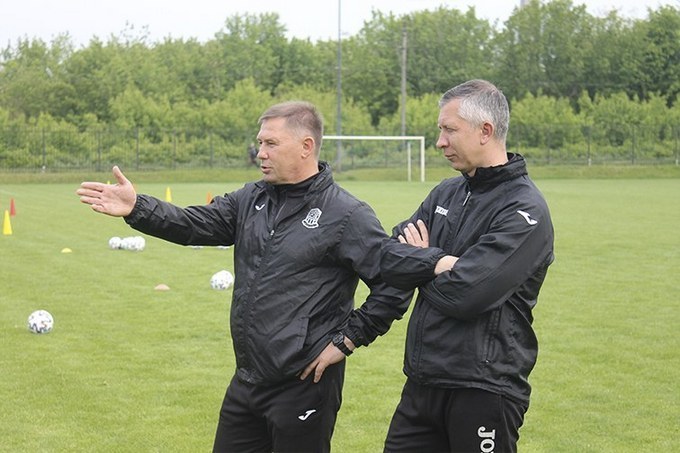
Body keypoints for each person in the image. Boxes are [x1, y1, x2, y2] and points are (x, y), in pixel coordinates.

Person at [76, 101, 412, 453]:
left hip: (304, 383)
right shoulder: (251, 199)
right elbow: (193, 224)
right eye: (260, 143)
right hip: (248, 379)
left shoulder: (346, 214)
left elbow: (395, 280)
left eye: (271, 144)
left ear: (306, 146)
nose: (260, 153)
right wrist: (137, 207)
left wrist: (347, 339)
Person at [380, 79, 555, 453]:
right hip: (422, 383)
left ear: (485, 131)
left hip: (484, 388)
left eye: (449, 130)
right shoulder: (446, 192)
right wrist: (440, 262)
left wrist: (421, 261)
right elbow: (390, 258)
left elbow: (468, 294)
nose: (439, 142)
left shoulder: (525, 210)